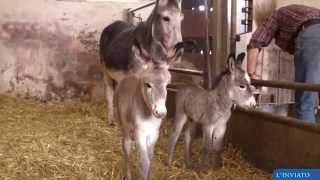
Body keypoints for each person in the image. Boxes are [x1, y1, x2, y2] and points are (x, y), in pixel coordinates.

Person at [247, 4, 320, 123]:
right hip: (313, 36)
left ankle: (305, 142)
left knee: (305, 103)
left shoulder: (275, 16)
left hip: (312, 36)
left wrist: (250, 75)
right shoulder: (302, 12)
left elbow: (255, 43)